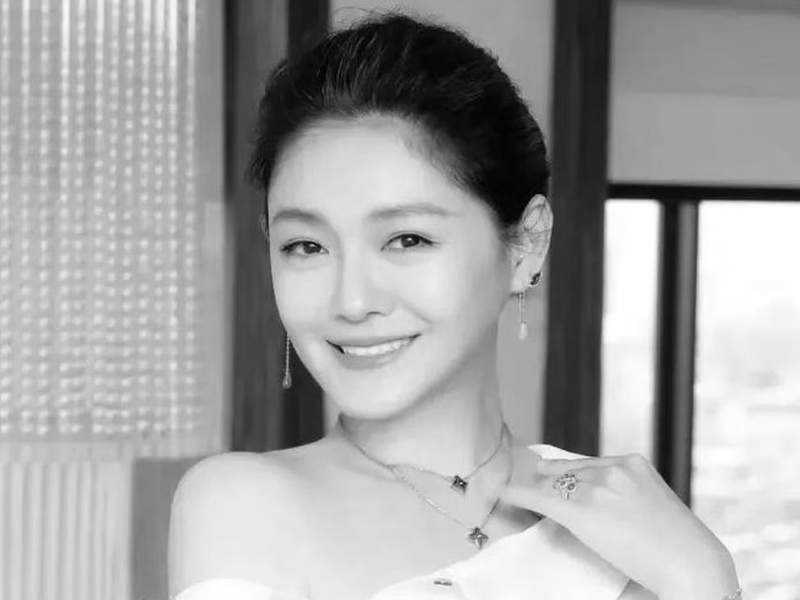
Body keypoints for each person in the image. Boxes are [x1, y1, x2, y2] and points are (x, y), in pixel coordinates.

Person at [167, 11, 741, 600]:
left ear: (526, 244)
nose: (352, 301)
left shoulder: (627, 525)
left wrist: (706, 579)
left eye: (406, 239)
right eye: (307, 246)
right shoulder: (242, 504)